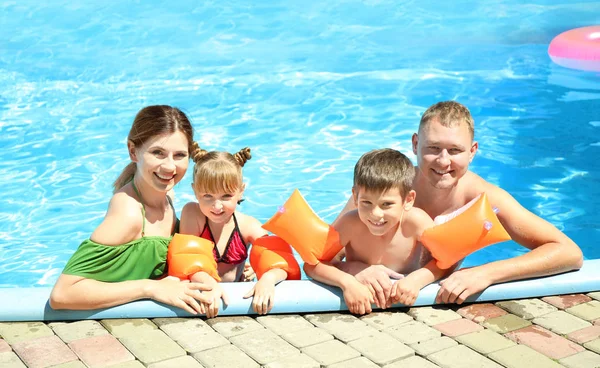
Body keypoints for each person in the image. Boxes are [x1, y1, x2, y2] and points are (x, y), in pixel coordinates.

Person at [334, 100, 584, 307]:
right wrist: (356, 270)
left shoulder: (484, 199)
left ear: (472, 151)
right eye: (433, 148)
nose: (443, 162)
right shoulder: (384, 190)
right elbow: (324, 254)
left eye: (455, 150)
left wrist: (486, 273)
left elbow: (569, 253)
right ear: (415, 144)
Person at [49, 105, 215, 314]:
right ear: (133, 151)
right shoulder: (129, 214)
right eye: (158, 153)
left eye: (180, 155)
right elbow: (62, 294)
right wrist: (149, 288)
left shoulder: (167, 198)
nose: (170, 167)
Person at [304, 149, 447, 315]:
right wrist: (348, 282)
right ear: (355, 196)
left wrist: (417, 280)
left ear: (408, 200)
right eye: (366, 202)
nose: (376, 214)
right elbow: (312, 264)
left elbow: (447, 260)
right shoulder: (350, 224)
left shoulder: (415, 222)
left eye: (386, 204)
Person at [178, 145, 294, 317]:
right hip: (207, 291)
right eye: (207, 196)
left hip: (238, 300)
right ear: (195, 191)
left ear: (240, 191)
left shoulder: (247, 226)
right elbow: (186, 258)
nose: (217, 206)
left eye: (226, 196)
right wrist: (210, 284)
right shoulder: (192, 214)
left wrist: (267, 278)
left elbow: (281, 260)